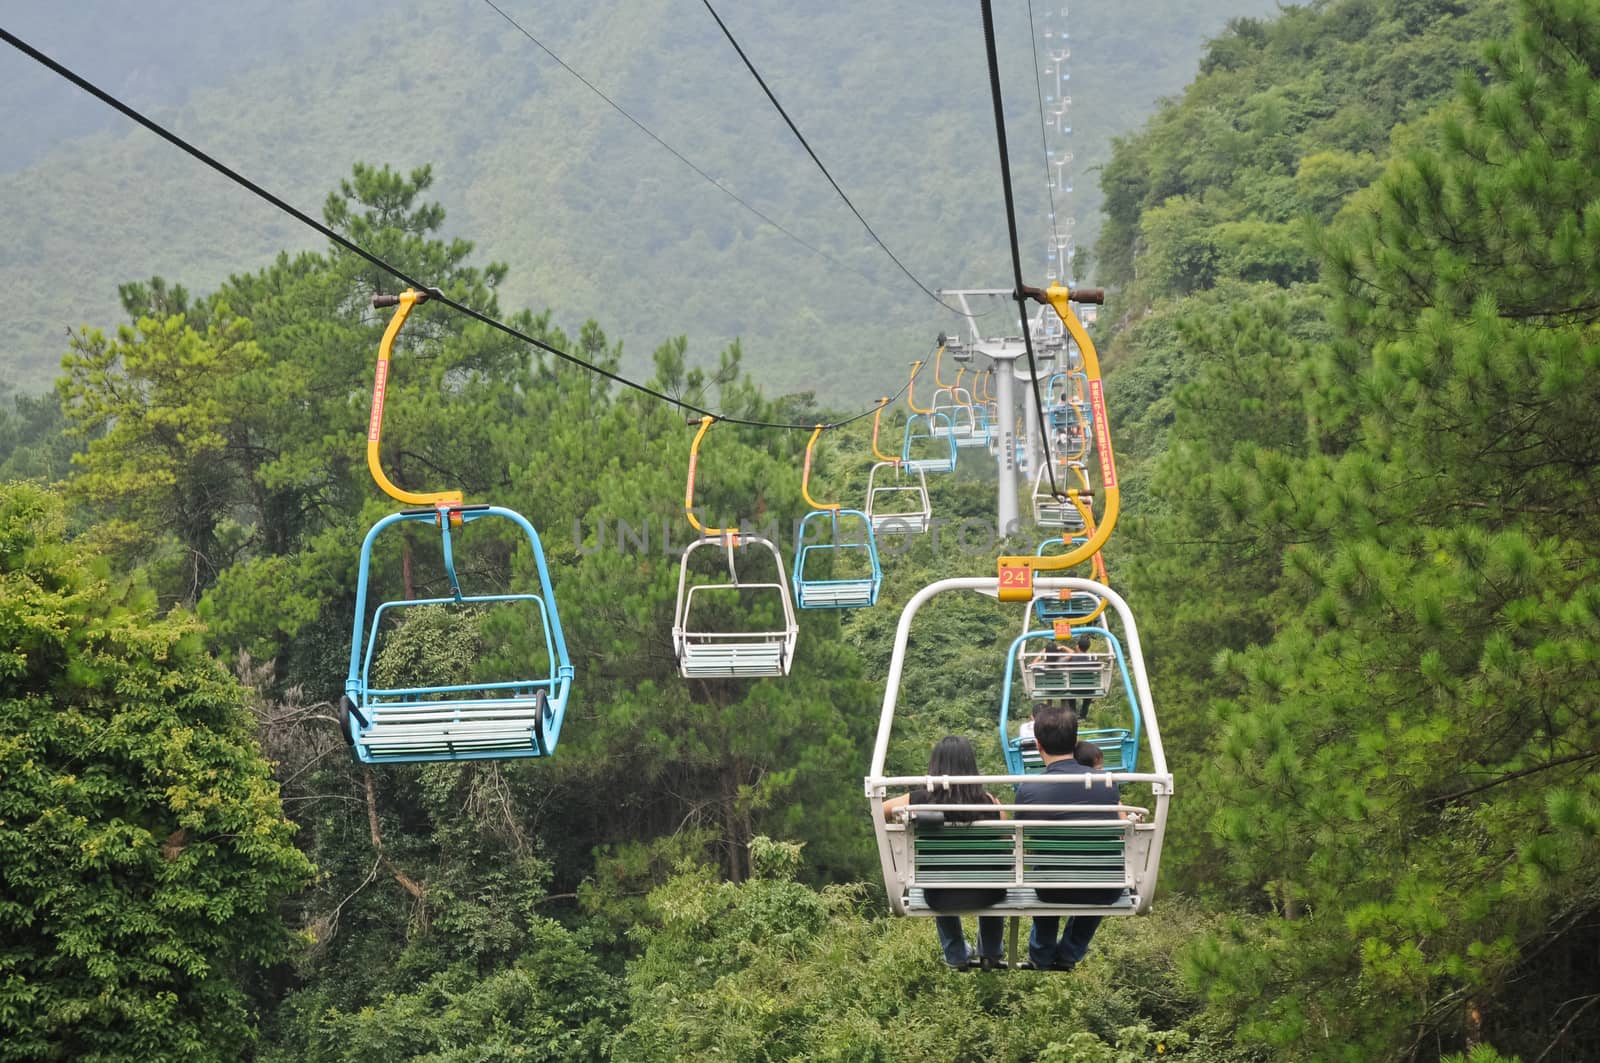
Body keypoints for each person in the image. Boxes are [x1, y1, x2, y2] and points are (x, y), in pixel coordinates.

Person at [882, 735, 1007, 971]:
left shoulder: (919, 800)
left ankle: (956, 954)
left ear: (935, 767)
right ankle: (990, 951)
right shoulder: (990, 803)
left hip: (939, 895)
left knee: (938, 878)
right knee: (990, 877)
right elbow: (1003, 835)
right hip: (988, 895)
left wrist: (905, 820)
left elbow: (879, 811)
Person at [1014, 703, 1123, 971]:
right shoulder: (1107, 784)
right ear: (1075, 742)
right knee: (1100, 874)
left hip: (1053, 888)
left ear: (1038, 745)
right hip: (1105, 887)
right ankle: (1071, 952)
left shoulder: (1029, 791)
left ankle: (1040, 954)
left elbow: (1024, 847)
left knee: (1046, 868)